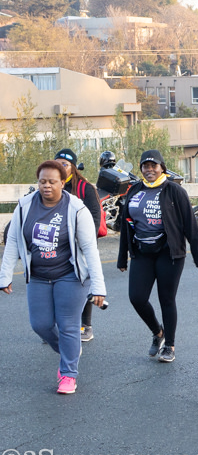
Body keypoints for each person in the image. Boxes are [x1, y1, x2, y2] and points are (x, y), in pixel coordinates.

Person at [1, 160, 107, 394]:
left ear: (62, 182)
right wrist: (5, 275)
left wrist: (98, 287)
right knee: (41, 325)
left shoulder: (76, 208)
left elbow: (90, 248)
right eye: (42, 181)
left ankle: (68, 374)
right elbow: (13, 242)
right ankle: (70, 350)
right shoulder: (25, 206)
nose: (46, 186)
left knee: (69, 325)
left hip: (69, 275)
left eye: (52, 181)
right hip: (38, 276)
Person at [117, 150, 198, 363]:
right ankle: (158, 332)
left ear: (162, 167)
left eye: (153, 166)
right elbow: (126, 225)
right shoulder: (134, 190)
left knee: (166, 299)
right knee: (137, 298)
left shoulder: (174, 191)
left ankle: (170, 346)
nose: (149, 170)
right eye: (145, 166)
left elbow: (190, 226)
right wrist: (122, 258)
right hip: (141, 252)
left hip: (169, 253)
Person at [53, 149, 102, 343]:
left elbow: (95, 217)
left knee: (83, 282)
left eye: (64, 164)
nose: (61, 168)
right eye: (57, 164)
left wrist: (87, 243)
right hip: (57, 245)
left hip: (80, 245)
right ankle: (58, 325)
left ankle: (85, 325)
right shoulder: (52, 186)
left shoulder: (84, 188)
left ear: (72, 167)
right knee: (57, 282)